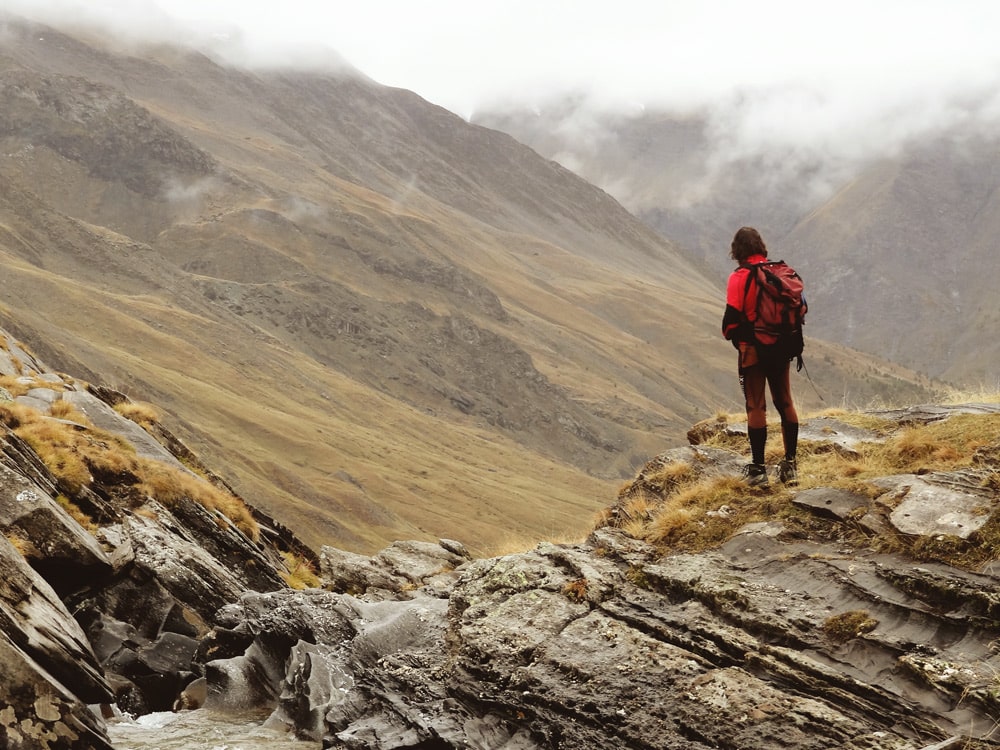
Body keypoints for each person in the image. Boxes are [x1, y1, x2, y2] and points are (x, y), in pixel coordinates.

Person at [721, 226, 799, 487]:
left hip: (753, 349)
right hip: (783, 347)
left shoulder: (740, 276)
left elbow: (730, 319)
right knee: (785, 401)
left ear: (737, 250)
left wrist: (736, 335)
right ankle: (790, 465)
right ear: (761, 246)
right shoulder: (779, 273)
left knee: (756, 405)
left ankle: (758, 470)